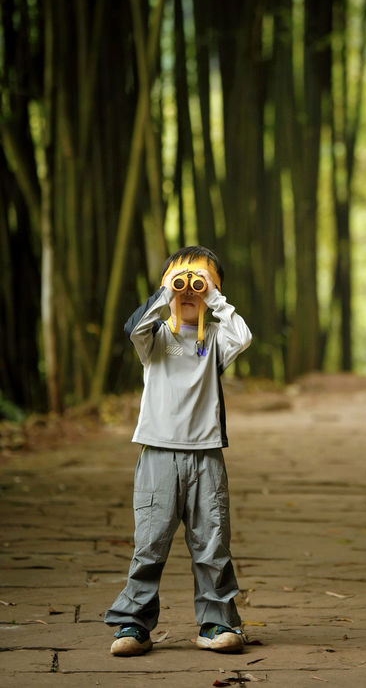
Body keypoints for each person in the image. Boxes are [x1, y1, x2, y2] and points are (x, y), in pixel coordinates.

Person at [104, 245, 252, 656]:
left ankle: (218, 623)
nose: (189, 289)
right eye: (181, 281)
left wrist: (213, 297)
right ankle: (133, 625)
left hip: (206, 455)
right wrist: (167, 292)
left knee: (212, 544)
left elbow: (244, 336)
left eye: (198, 282)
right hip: (157, 455)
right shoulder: (156, 338)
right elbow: (133, 328)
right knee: (149, 543)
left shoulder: (216, 339)